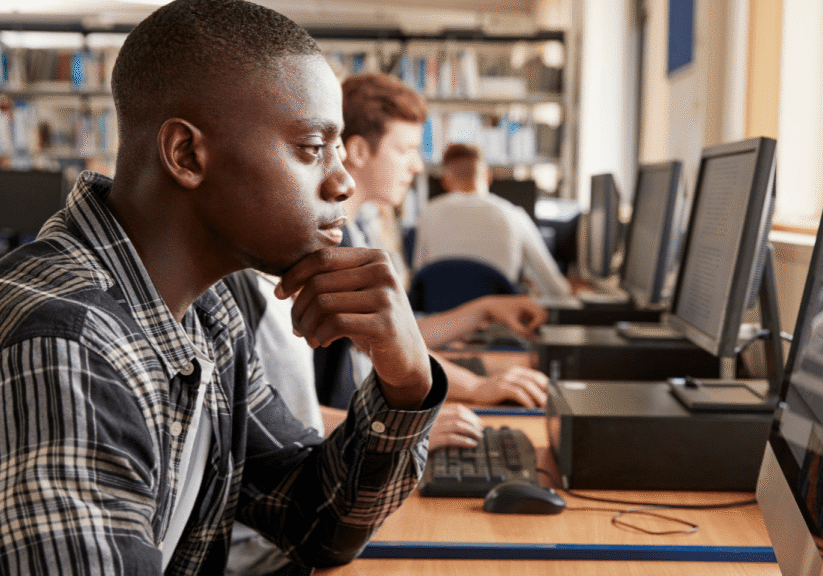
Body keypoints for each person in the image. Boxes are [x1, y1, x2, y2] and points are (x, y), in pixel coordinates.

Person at [0, 2, 447, 575]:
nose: (342, 182)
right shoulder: (68, 341)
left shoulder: (208, 315)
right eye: (312, 148)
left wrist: (407, 380)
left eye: (339, 151)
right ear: (187, 154)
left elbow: (315, 522)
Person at [223, 268, 484, 575]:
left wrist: (404, 398)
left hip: (290, 530)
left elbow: (312, 511)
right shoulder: (232, 294)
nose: (340, 220)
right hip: (257, 552)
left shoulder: (236, 300)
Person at [337, 72, 551, 411]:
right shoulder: (333, 245)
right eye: (405, 150)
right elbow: (382, 348)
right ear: (359, 151)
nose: (418, 166)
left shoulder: (355, 230)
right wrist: (479, 387)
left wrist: (484, 308)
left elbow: (396, 336)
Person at [414, 141, 572, 298]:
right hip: (499, 320)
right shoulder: (514, 215)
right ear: (488, 177)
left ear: (444, 183)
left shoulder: (428, 213)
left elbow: (419, 274)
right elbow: (556, 288)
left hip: (442, 320)